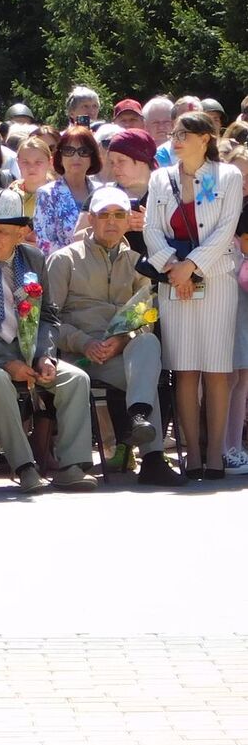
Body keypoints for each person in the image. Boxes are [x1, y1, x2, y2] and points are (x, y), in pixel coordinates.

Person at [0, 189, 98, 493]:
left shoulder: (34, 258)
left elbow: (48, 315)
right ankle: (24, 466)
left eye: (2, 231)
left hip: (29, 349)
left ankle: (71, 466)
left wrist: (45, 356)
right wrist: (8, 362)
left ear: (21, 233)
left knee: (76, 379)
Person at [45, 186, 184, 486]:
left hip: (120, 353)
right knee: (145, 375)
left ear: (127, 220)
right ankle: (150, 457)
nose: (112, 221)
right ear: (91, 219)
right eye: (104, 215)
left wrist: (121, 341)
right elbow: (49, 320)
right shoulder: (64, 259)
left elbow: (145, 317)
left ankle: (140, 422)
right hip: (78, 354)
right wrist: (84, 343)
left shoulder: (138, 263)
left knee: (148, 344)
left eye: (119, 215)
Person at [145, 112, 245, 477]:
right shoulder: (160, 178)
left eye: (183, 134)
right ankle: (192, 453)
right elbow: (151, 228)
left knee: (216, 368)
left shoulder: (228, 175)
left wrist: (193, 265)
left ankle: (215, 454)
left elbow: (225, 229)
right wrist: (174, 267)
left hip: (216, 279)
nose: (176, 139)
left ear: (206, 138)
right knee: (184, 368)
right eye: (174, 133)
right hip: (173, 280)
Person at [33, 125, 100, 256]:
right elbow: (45, 244)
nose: (76, 157)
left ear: (92, 158)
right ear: (60, 157)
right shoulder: (47, 194)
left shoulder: (102, 191)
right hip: (62, 266)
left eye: (84, 151)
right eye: (69, 151)